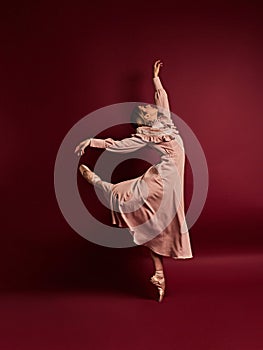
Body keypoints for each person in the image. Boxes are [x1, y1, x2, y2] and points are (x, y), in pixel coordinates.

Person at [75, 60, 193, 302]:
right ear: (144, 120)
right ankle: (98, 183)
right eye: (146, 111)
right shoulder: (145, 136)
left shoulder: (166, 123)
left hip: (172, 183)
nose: (151, 108)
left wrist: (155, 78)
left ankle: (159, 274)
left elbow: (162, 99)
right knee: (125, 194)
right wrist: (91, 141)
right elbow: (117, 145)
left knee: (157, 225)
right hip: (161, 179)